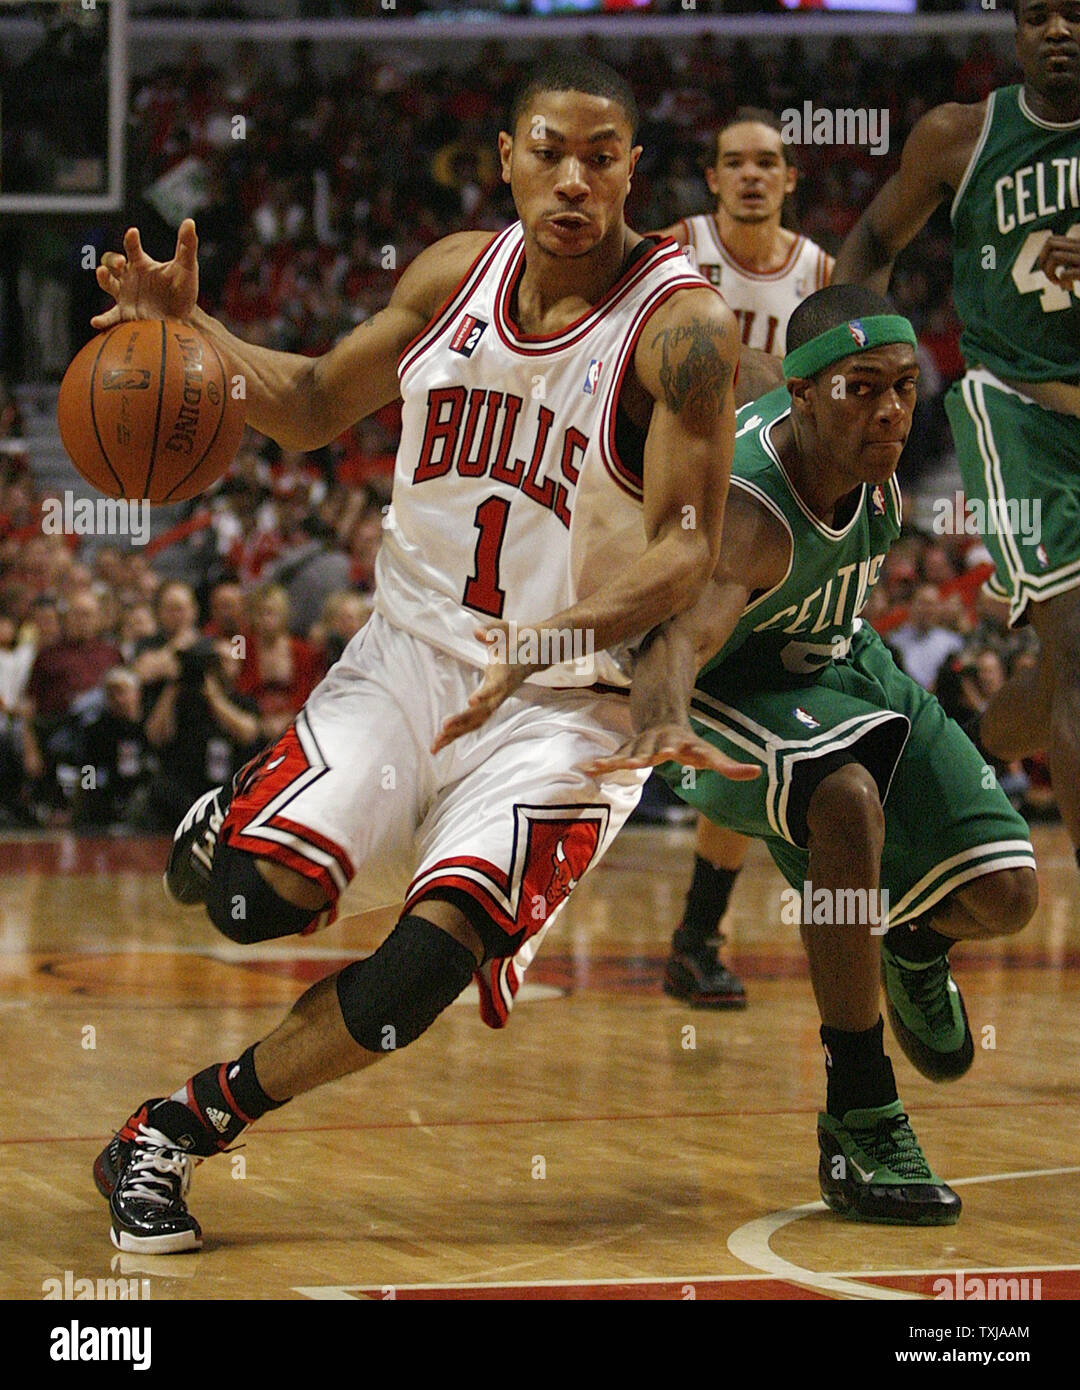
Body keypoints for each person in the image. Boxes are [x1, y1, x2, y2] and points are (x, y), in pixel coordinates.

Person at [88, 56, 747, 1253]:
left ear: (632, 171)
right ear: (504, 157)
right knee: (248, 904)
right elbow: (299, 407)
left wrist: (546, 638)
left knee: (414, 982)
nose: (574, 179)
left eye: (602, 156)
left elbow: (688, 555)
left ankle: (171, 1131)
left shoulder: (684, 329)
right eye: (549, 149)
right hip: (409, 658)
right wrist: (193, 330)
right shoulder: (454, 274)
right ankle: (236, 818)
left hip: (568, 708)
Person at [580, 286, 1038, 1224]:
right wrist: (660, 717)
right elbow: (682, 638)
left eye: (904, 388)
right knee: (846, 798)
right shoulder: (752, 515)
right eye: (863, 389)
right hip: (722, 701)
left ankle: (912, 940)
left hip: (838, 658)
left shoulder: (858, 441)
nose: (890, 410)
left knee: (1007, 894)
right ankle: (860, 1112)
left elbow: (760, 363)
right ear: (804, 397)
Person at [834, 0, 1080, 875]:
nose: (1058, 30)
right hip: (1016, 413)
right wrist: (854, 366)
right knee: (1077, 651)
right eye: (1039, 15)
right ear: (1014, 32)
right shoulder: (962, 136)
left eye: (1075, 14)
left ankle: (948, 760)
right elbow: (867, 242)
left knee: (1056, 676)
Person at [654, 108, 834, 1009]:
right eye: (736, 163)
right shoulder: (674, 249)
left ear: (790, 178)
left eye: (769, 162)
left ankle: (695, 938)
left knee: (753, 729)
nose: (753, 176)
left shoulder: (818, 274)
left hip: (767, 523)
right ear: (714, 178)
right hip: (670, 505)